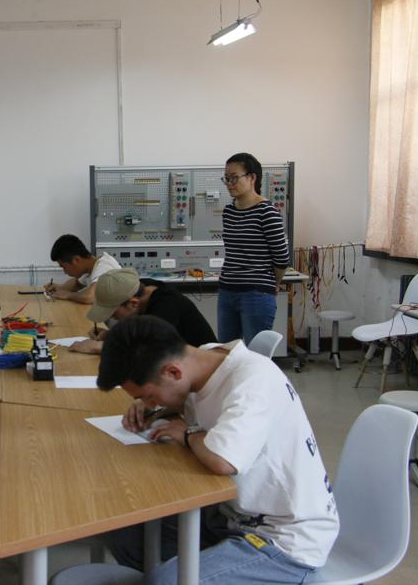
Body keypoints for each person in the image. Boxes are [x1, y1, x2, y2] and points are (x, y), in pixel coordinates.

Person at [96, 315, 338, 584]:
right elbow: (192, 398)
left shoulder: (253, 381)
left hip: (284, 539)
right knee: (126, 536)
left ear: (173, 372)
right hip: (227, 518)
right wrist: (153, 406)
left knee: (164, 582)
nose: (149, 403)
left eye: (148, 395)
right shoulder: (203, 360)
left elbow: (224, 460)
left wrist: (188, 434)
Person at [218, 152, 291, 344]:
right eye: (226, 178)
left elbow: (281, 258)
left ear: (252, 178)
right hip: (227, 290)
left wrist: (274, 284)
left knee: (255, 354)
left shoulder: (267, 212)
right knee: (226, 352)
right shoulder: (229, 212)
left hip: (256, 294)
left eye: (234, 178)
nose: (229, 183)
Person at [70, 268, 216, 354]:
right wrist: (112, 336)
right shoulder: (143, 289)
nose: (113, 319)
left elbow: (152, 351)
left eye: (113, 313)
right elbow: (141, 335)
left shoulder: (166, 306)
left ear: (133, 303)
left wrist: (100, 347)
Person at [43, 234, 120, 304]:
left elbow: (90, 297)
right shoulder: (90, 268)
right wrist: (60, 288)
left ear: (76, 260)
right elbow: (76, 284)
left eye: (64, 267)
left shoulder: (104, 266)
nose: (65, 272)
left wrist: (68, 295)